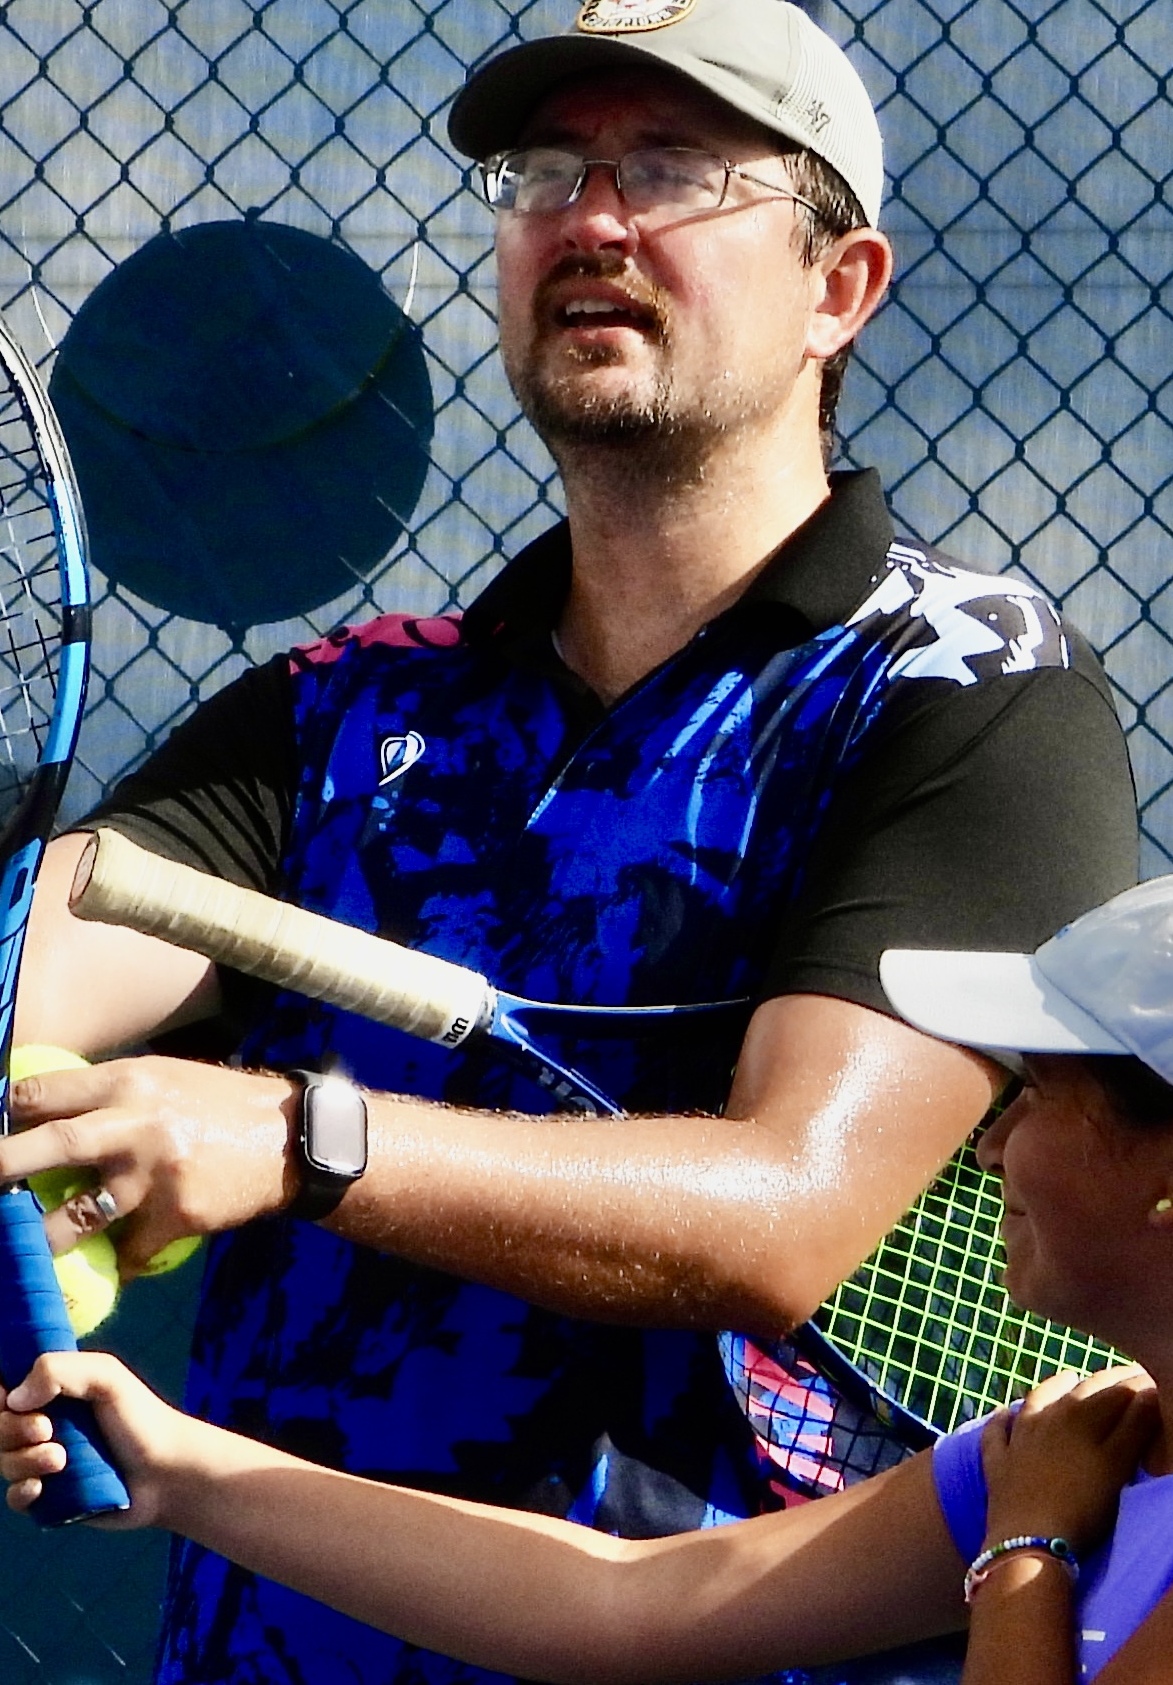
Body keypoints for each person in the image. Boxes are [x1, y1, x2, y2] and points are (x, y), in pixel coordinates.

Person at [1, 1, 1138, 1682]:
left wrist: (299, 1138)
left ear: (838, 288)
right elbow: (39, 974)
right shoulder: (340, 706)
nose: (591, 220)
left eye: (673, 171)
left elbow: (783, 1215)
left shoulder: (969, 687)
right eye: (547, 174)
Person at [5, 877, 1173, 1685]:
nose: (990, 1144)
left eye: (1037, 1094)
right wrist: (177, 1467)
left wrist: (1029, 1549)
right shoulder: (1074, 1442)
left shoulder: (1046, 1485)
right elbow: (622, 1601)